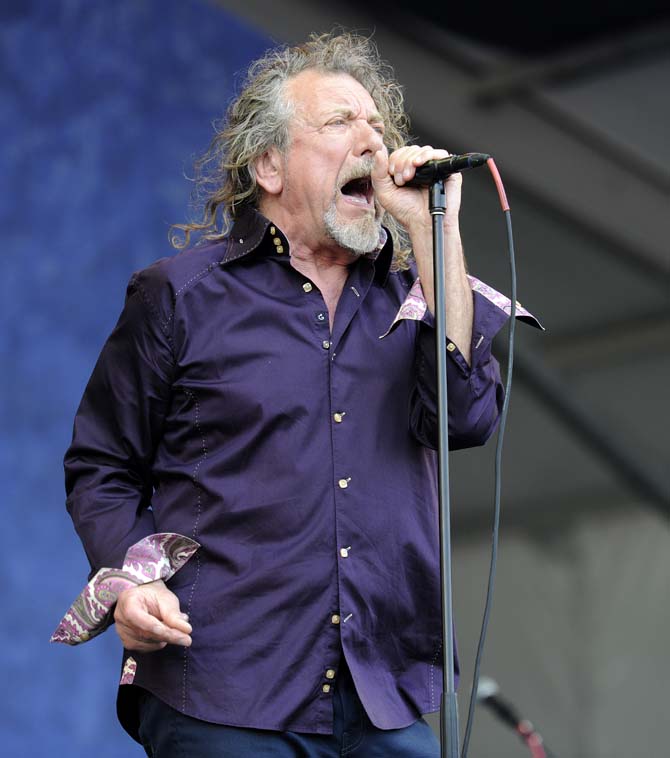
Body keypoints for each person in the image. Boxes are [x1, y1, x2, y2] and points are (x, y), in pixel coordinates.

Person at [54, 31, 536, 757]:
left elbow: (465, 419)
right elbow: (102, 465)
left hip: (385, 690)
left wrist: (434, 234)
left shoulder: (416, 298)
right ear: (269, 165)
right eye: (341, 123)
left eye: (378, 126)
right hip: (226, 688)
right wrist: (129, 583)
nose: (372, 142)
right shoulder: (181, 296)